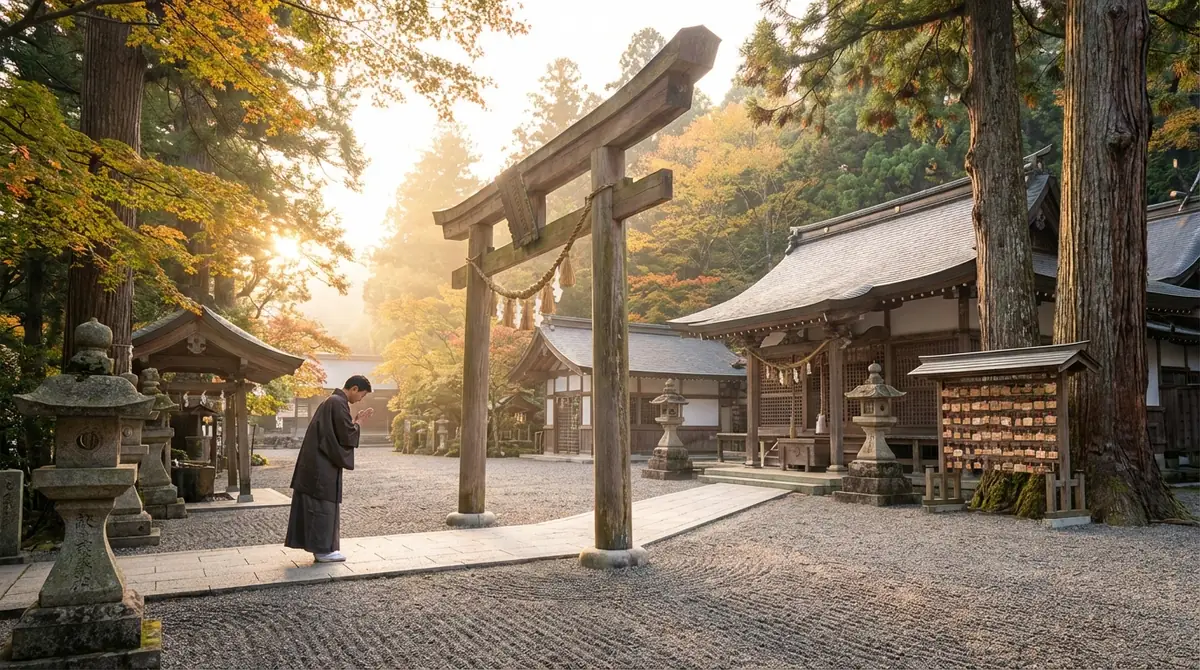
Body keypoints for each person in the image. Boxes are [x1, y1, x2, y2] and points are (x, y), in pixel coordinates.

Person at [285, 375, 374, 562]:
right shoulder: (337, 403)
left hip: (318, 462)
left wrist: (353, 423)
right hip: (321, 466)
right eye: (362, 395)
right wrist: (358, 423)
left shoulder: (333, 402)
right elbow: (346, 435)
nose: (361, 399)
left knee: (318, 505)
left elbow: (338, 432)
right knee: (322, 505)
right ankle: (323, 550)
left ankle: (323, 549)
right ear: (354, 388)